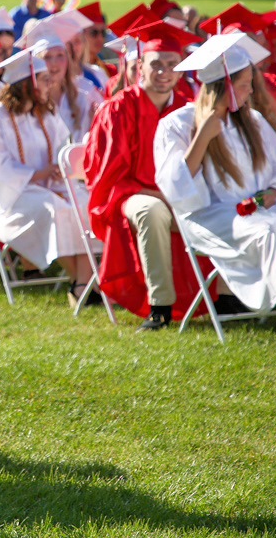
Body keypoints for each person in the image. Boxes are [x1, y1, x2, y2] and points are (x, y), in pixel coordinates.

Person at [155, 34, 276, 332]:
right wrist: (202, 138)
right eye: (242, 85)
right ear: (222, 86)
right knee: (271, 231)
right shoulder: (176, 125)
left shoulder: (253, 121)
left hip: (261, 209)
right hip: (211, 216)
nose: (250, 91)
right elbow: (178, 192)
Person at [84, 21, 208, 330]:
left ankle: (223, 295)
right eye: (156, 64)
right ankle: (160, 306)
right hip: (130, 195)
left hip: (179, 194)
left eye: (171, 65)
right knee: (152, 212)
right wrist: (158, 195)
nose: (164, 72)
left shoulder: (188, 110)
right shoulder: (116, 110)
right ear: (140, 65)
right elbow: (109, 174)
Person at [0, 47, 96, 305]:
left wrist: (59, 167)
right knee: (54, 210)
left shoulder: (45, 112)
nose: (51, 83)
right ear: (26, 83)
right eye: (44, 79)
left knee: (86, 205)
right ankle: (83, 286)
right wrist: (38, 174)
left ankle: (83, 286)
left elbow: (62, 145)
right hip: (13, 197)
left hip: (51, 186)